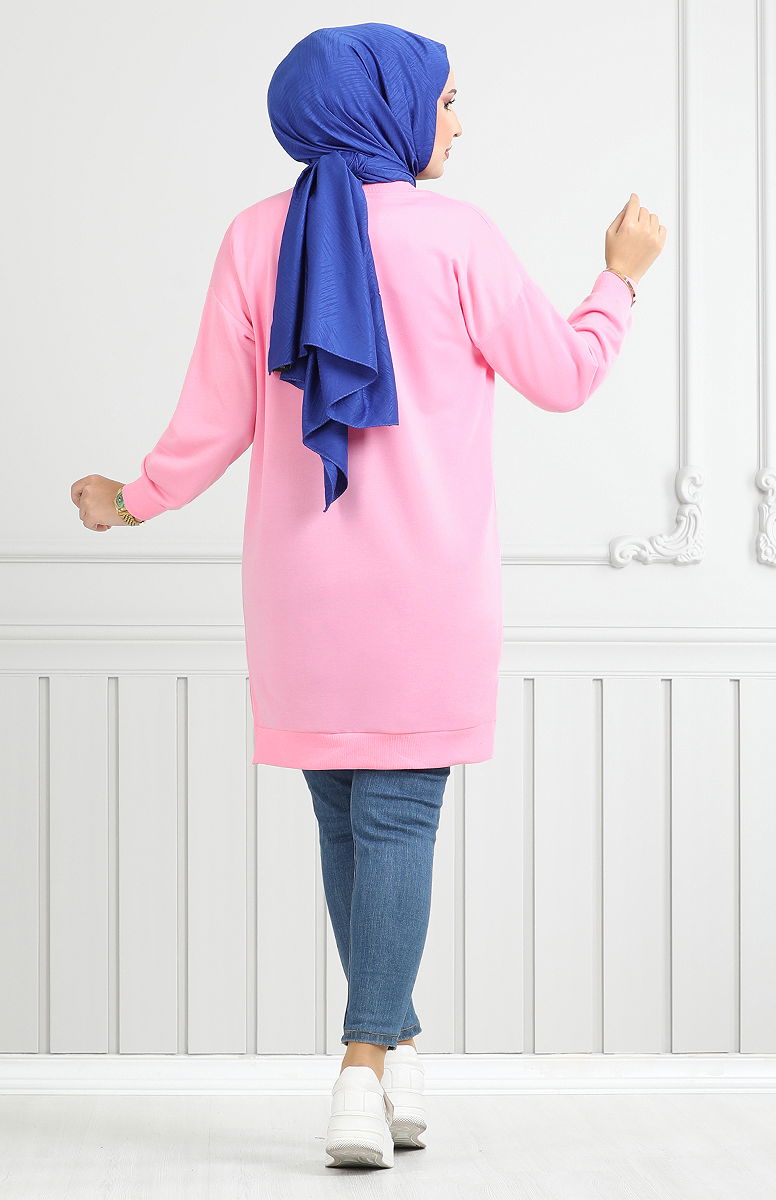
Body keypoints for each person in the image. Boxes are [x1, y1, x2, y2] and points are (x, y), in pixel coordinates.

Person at [70, 22, 665, 1169]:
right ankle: (358, 1070)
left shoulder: (255, 235)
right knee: (394, 819)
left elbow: (213, 421)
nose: (457, 123)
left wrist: (133, 500)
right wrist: (619, 278)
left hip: (296, 586)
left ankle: (396, 1054)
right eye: (445, 102)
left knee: (348, 820)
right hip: (425, 586)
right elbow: (563, 375)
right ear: (386, 107)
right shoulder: (455, 236)